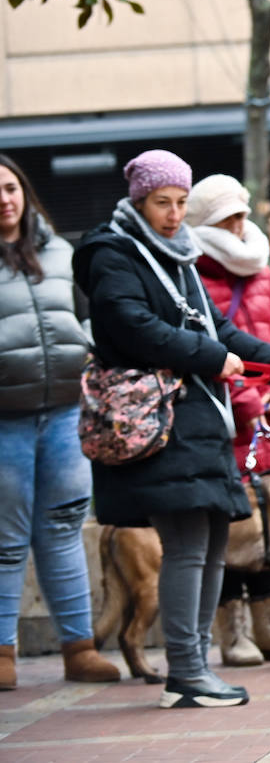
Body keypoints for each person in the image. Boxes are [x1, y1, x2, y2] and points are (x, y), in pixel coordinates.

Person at [72, 150, 270, 708]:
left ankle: (195, 666)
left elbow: (218, 327)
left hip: (198, 420)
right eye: (163, 203)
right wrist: (209, 357)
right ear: (138, 200)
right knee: (183, 543)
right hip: (159, 422)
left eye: (181, 202)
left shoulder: (180, 253)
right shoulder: (113, 253)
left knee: (210, 541)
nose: (175, 214)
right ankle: (187, 669)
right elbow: (130, 325)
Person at [0, 155, 120, 690]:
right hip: (5, 421)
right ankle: (3, 655)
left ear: (24, 192)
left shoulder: (60, 251)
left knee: (64, 530)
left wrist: (90, 349)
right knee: (5, 540)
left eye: (10, 188)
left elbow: (84, 315)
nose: (4, 199)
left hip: (66, 412)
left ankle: (79, 648)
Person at [185, 174, 270, 667]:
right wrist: (253, 405)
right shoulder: (192, 276)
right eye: (226, 219)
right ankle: (231, 634)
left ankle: (268, 628)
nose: (239, 227)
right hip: (228, 426)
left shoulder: (263, 273)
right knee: (231, 527)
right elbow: (210, 348)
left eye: (241, 216)